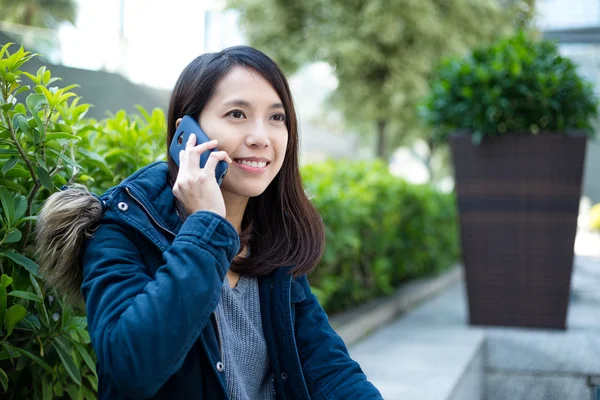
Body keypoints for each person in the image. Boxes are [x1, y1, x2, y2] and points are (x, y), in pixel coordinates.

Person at [36, 46, 383, 400]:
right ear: (186, 134)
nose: (261, 137)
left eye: (276, 118)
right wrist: (205, 226)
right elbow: (130, 370)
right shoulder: (123, 228)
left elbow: (330, 369)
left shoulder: (271, 240)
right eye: (237, 114)